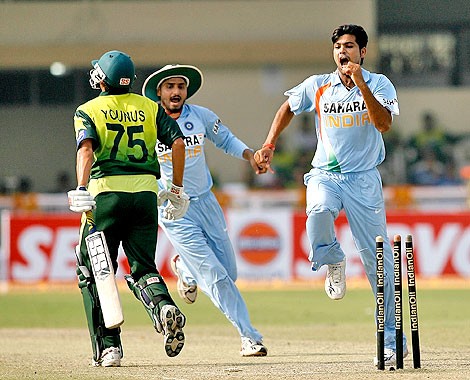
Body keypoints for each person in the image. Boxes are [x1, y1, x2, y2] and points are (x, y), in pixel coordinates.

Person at [254, 25, 407, 366]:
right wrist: (269, 144)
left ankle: (392, 340)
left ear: (362, 52)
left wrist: (361, 83)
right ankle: (333, 258)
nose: (343, 52)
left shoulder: (379, 83)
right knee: (318, 213)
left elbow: (383, 124)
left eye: (350, 46)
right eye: (338, 46)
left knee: (377, 262)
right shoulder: (318, 84)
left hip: (364, 179)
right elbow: (288, 109)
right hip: (326, 174)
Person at [67, 50, 189, 367]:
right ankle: (162, 306)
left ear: (102, 79)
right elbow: (177, 142)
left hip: (106, 195)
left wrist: (81, 188)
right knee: (144, 268)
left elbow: (86, 148)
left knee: (91, 269)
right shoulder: (150, 107)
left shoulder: (88, 109)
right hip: (146, 196)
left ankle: (109, 348)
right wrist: (175, 188)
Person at [142, 64, 268, 357]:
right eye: (169, 87)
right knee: (215, 276)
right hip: (175, 209)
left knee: (230, 273)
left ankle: (184, 269)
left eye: (180, 87)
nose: (176, 92)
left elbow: (225, 139)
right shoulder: (149, 122)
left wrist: (250, 155)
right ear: (158, 92)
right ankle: (249, 336)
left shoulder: (200, 116)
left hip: (206, 202)